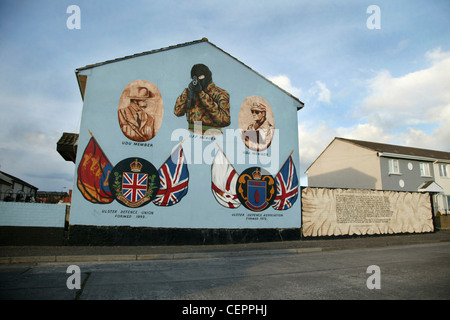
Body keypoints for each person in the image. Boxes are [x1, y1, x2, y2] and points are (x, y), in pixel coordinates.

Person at [174, 64, 230, 134]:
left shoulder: (220, 94)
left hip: (212, 135)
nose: (197, 80)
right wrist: (187, 93)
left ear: (207, 76)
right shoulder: (190, 92)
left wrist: (202, 94)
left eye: (200, 77)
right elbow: (177, 112)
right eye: (194, 78)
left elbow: (224, 120)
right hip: (193, 134)